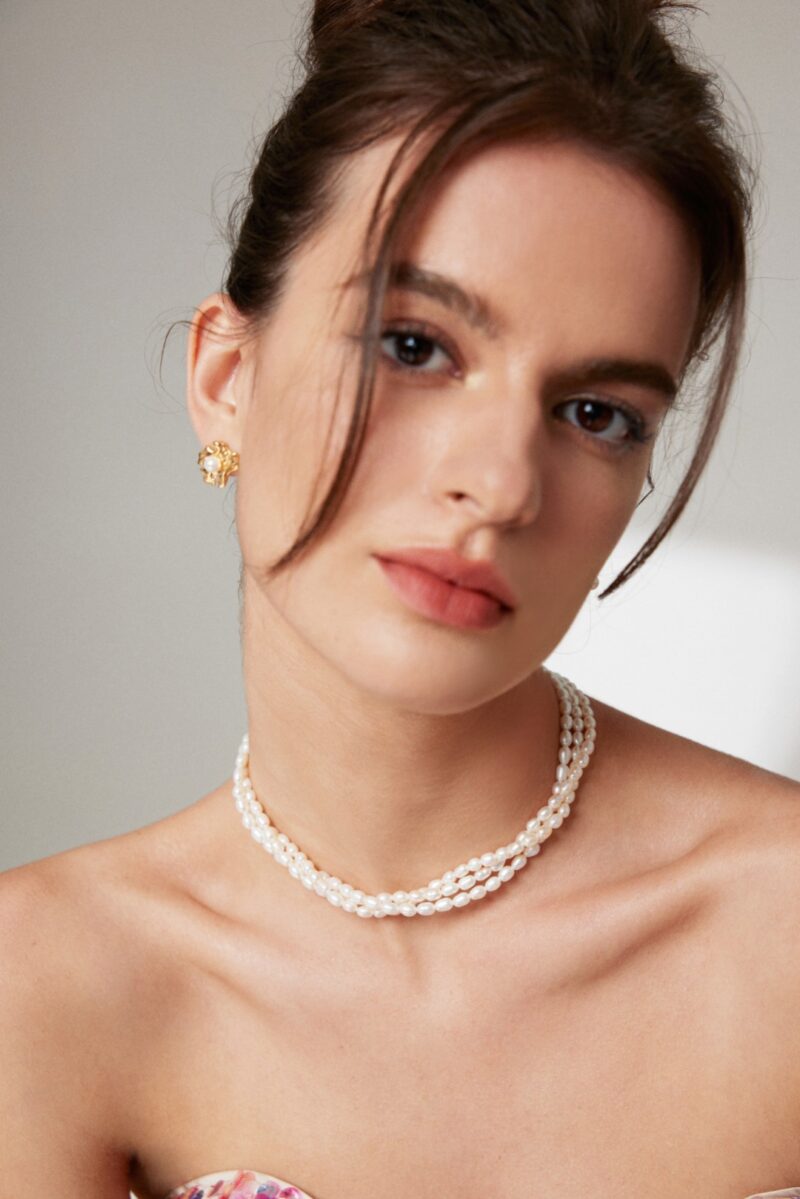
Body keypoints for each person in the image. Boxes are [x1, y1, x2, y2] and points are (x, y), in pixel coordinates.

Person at [1, 1, 798, 1196]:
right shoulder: (48, 980)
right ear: (226, 377)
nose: (500, 483)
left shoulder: (776, 926)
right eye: (414, 344)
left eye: (595, 414)